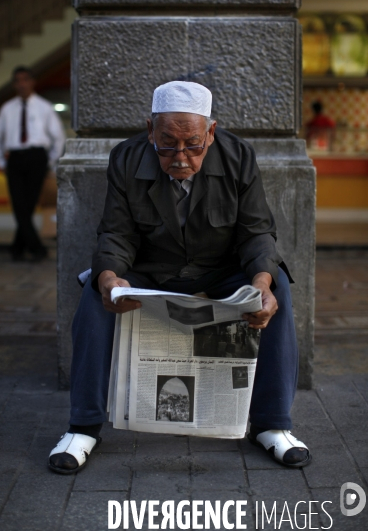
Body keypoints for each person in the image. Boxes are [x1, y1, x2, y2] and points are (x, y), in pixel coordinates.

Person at [49, 81, 311, 474]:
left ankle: (272, 425)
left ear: (211, 132)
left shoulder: (238, 156)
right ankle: (82, 427)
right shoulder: (126, 157)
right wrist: (109, 277)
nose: (181, 157)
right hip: (152, 269)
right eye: (167, 144)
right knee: (96, 293)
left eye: (193, 144)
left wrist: (261, 281)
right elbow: (116, 233)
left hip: (219, 269)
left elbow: (256, 231)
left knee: (277, 290)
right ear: (150, 130)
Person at [0, 66, 65, 261]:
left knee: (29, 205)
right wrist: (1, 163)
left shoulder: (44, 107)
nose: (22, 84)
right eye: (18, 80)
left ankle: (18, 248)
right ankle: (34, 247)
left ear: (32, 82)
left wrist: (50, 162)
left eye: (25, 79)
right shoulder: (7, 108)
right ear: (14, 84)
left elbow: (58, 137)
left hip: (37, 158)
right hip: (14, 159)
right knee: (19, 205)